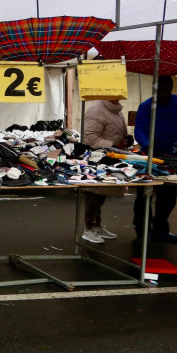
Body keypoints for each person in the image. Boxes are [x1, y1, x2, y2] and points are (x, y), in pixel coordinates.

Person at [132, 75, 177, 245]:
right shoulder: (146, 106)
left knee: (168, 197)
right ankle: (142, 233)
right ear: (154, 89)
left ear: (171, 88)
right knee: (144, 196)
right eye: (160, 91)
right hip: (150, 155)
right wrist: (148, 146)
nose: (163, 95)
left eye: (166, 91)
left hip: (171, 155)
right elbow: (139, 130)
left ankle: (160, 229)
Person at [80, 99, 131, 244]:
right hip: (98, 157)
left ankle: (97, 225)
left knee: (102, 193)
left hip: (110, 156)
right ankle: (89, 228)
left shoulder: (116, 109)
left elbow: (113, 132)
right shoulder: (96, 109)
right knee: (94, 192)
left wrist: (125, 141)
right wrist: (113, 145)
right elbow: (89, 137)